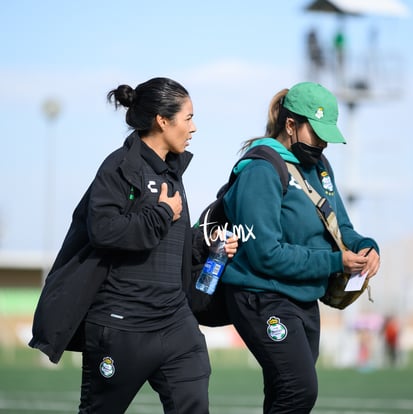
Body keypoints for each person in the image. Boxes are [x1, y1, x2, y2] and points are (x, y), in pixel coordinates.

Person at [29, 77, 238, 414]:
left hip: (175, 324)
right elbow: (105, 231)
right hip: (121, 326)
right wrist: (161, 213)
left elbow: (169, 244)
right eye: (188, 118)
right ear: (162, 120)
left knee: (194, 405)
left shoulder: (172, 173)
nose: (194, 127)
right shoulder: (120, 167)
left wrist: (207, 247)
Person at [220, 81, 381, 413]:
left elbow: (341, 228)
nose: (322, 143)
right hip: (260, 295)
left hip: (304, 297)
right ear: (290, 125)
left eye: (327, 136)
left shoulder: (320, 167)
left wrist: (366, 248)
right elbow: (266, 254)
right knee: (299, 390)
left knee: (285, 394)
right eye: (317, 133)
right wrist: (336, 262)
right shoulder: (261, 170)